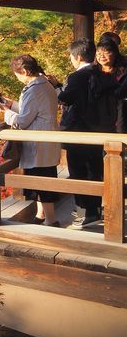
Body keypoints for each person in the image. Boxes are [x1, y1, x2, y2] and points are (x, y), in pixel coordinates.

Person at [58, 39, 117, 228]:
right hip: (99, 131)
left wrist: (56, 87)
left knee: (78, 172)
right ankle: (95, 210)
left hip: (79, 132)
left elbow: (65, 98)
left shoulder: (77, 77)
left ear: (78, 57)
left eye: (71, 56)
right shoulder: (104, 74)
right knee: (94, 171)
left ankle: (84, 213)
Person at [0, 55, 61, 226]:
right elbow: (35, 110)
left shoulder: (34, 89)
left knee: (42, 180)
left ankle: (51, 220)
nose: (17, 78)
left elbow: (23, 120)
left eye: (17, 74)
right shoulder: (44, 84)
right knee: (41, 178)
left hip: (38, 142)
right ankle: (41, 215)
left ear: (25, 71)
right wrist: (11, 104)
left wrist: (6, 112)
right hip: (45, 141)